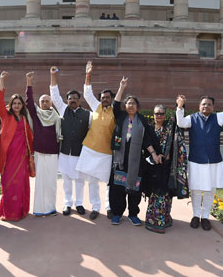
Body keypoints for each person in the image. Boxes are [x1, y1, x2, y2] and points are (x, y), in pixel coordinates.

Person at [176, 88, 223, 231]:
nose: (206, 106)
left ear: (213, 107)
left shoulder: (218, 117)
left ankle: (205, 217)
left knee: (210, 191)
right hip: (196, 161)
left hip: (213, 162)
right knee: (196, 190)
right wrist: (180, 106)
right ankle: (195, 215)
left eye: (209, 104)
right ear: (199, 106)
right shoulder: (192, 118)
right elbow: (180, 123)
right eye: (203, 104)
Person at [109, 77, 163, 226]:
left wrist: (153, 153)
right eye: (128, 103)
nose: (131, 105)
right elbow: (115, 105)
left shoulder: (142, 121)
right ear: (125, 106)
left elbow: (147, 140)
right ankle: (117, 213)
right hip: (120, 160)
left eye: (133, 103)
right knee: (118, 188)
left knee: (135, 189)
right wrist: (122, 87)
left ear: (138, 107)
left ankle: (133, 214)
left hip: (136, 161)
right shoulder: (120, 117)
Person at [76, 61, 117, 220]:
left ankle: (109, 207)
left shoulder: (116, 112)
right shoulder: (97, 106)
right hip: (90, 149)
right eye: (103, 97)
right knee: (92, 181)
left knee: (108, 182)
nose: (104, 99)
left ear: (112, 99)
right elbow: (87, 94)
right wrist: (88, 75)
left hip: (106, 152)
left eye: (107, 97)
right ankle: (95, 207)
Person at [50, 66, 91, 216]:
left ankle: (79, 203)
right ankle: (67, 204)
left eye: (75, 98)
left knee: (80, 180)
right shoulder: (63, 109)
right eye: (70, 98)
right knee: (66, 179)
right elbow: (54, 95)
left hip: (80, 153)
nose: (72, 100)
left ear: (79, 100)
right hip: (66, 152)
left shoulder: (88, 114)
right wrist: (53, 76)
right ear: (66, 101)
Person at [143, 104, 189, 233]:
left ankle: (165, 219)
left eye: (162, 113)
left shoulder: (170, 127)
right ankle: (154, 221)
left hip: (167, 168)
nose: (159, 116)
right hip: (153, 167)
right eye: (157, 113)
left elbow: (177, 121)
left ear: (165, 115)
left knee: (166, 194)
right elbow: (146, 142)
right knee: (156, 194)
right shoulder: (150, 128)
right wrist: (154, 154)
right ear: (153, 114)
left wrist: (180, 105)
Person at [0, 71, 34, 221]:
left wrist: (29, 81)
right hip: (8, 157)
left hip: (22, 157)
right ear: (10, 105)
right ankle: (8, 213)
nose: (17, 105)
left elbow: (29, 138)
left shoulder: (24, 119)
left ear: (22, 105)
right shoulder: (6, 116)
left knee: (20, 185)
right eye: (14, 103)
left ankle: (20, 212)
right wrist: (1, 80)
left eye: (19, 103)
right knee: (8, 185)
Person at [25, 71, 61, 216]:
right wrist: (29, 82)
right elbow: (28, 100)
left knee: (51, 182)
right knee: (40, 182)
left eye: (47, 101)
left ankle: (51, 208)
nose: (45, 103)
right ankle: (39, 209)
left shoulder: (57, 117)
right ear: (39, 104)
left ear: (51, 103)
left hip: (53, 153)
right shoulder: (36, 114)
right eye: (42, 101)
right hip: (39, 152)